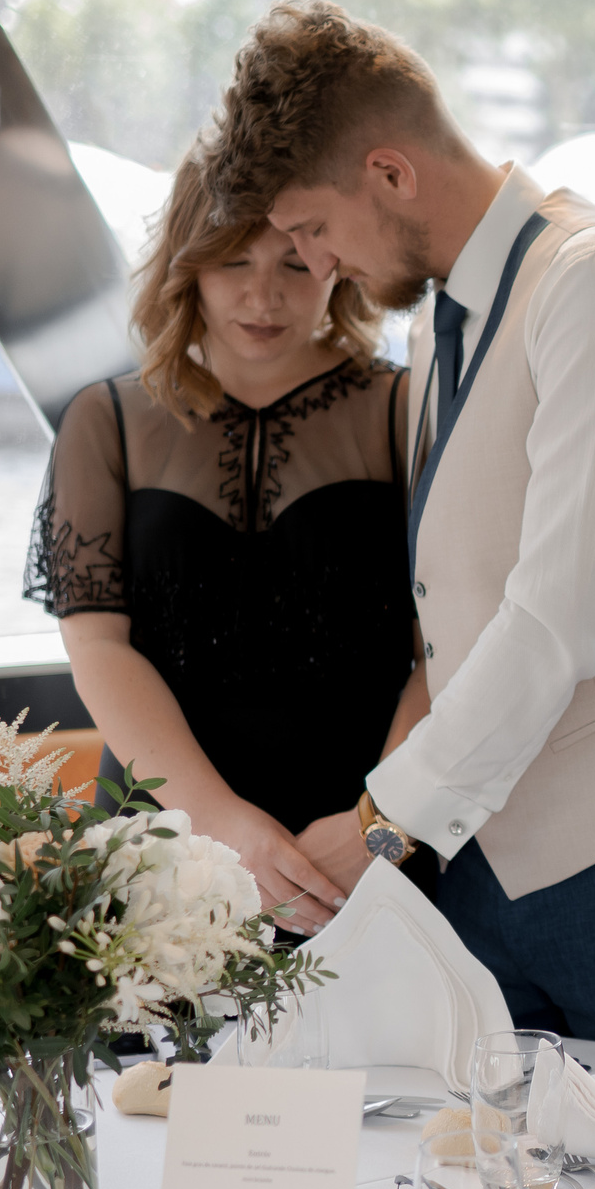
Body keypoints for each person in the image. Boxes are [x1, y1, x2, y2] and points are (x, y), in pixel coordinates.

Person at [197, 0, 595, 1069]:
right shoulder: (445, 320)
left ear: (389, 173)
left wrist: (386, 819)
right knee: (488, 1166)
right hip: (483, 850)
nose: (315, 265)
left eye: (312, 229)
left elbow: (563, 611)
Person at [29, 146, 425, 930]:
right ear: (188, 263)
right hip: (162, 840)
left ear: (336, 262)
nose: (262, 295)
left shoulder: (403, 411)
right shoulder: (104, 421)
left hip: (355, 847)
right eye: (233, 260)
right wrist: (216, 822)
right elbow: (99, 647)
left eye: (294, 264)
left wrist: (380, 822)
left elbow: (444, 649)